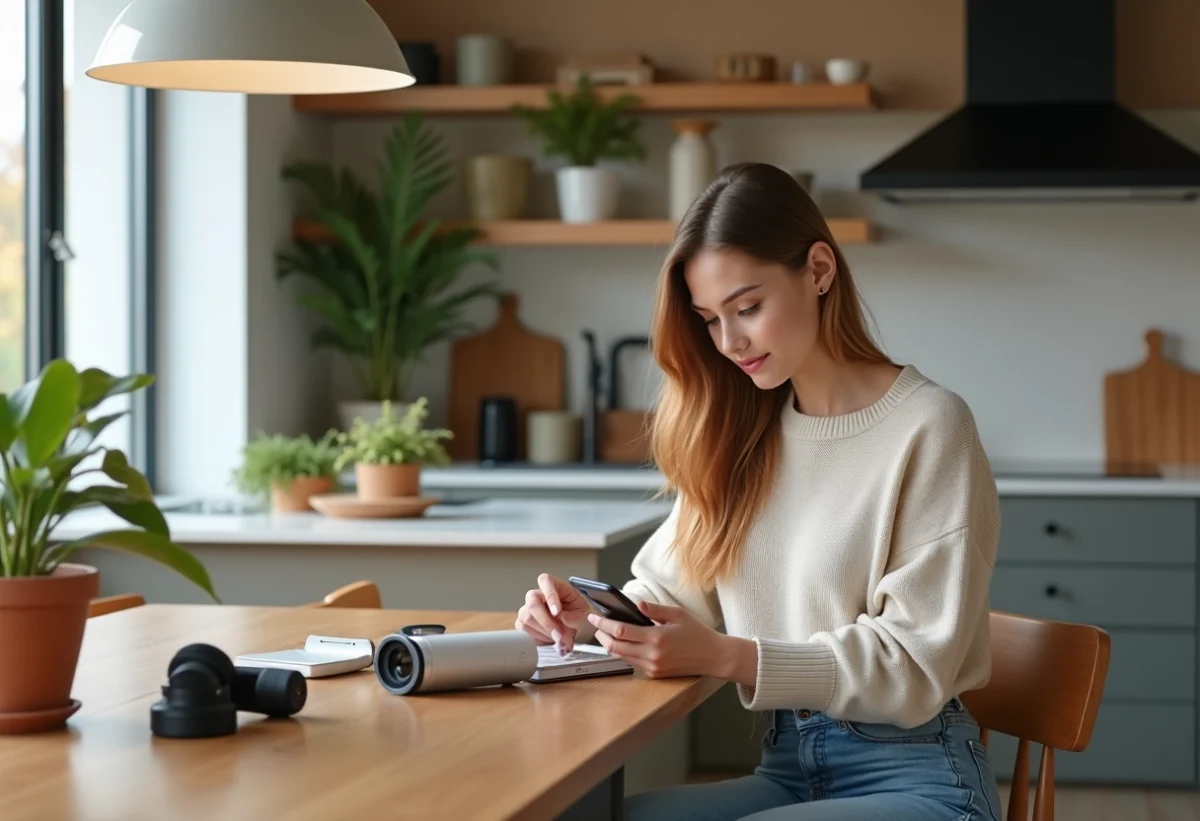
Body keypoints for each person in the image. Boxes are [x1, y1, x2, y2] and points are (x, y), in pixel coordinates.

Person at [514, 161, 1003, 821]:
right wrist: (591, 619)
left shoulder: (929, 426)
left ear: (820, 271)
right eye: (710, 319)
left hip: (919, 780)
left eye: (747, 307)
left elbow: (914, 661)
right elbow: (665, 594)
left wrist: (728, 655)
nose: (729, 342)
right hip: (787, 773)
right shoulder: (744, 432)